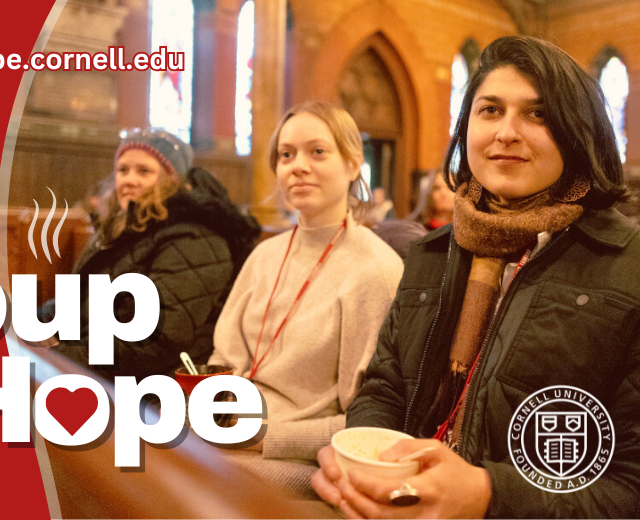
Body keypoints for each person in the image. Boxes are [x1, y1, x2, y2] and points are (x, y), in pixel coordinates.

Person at [312, 36, 640, 519]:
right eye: (490, 110)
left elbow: (630, 485)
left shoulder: (625, 264)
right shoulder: (432, 253)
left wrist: (489, 496)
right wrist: (359, 460)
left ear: (579, 132)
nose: (506, 132)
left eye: (538, 114)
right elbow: (384, 389)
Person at [210, 102, 404, 497]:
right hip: (227, 431)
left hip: (295, 459)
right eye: (286, 155)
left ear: (352, 164)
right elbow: (222, 361)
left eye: (317, 152)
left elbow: (366, 425)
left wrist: (265, 437)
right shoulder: (265, 254)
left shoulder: (374, 271)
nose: (298, 166)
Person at [47, 128, 260, 380]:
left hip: (160, 386)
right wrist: (32, 324)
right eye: (122, 170)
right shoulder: (121, 228)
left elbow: (156, 339)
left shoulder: (195, 238)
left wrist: (62, 356)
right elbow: (82, 301)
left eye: (144, 171)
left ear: (173, 179)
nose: (129, 179)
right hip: (103, 369)